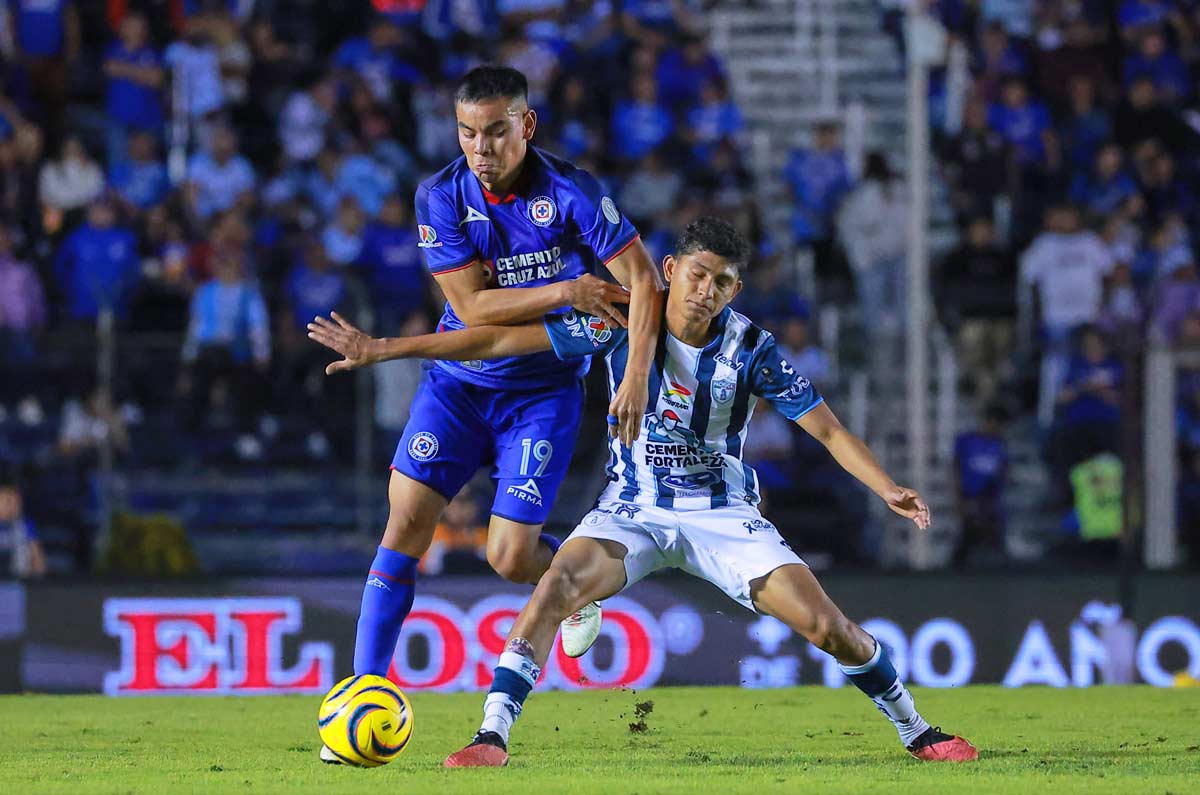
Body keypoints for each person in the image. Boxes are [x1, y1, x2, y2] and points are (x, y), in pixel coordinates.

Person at [308, 217, 978, 767]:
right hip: (631, 509)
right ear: (669, 272)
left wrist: (888, 486)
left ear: (735, 288)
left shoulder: (753, 350)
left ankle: (916, 728)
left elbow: (827, 431)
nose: (706, 290)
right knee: (554, 586)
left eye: (721, 281)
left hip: (722, 514)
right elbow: (494, 339)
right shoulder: (617, 319)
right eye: (696, 275)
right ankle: (491, 735)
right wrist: (385, 348)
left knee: (830, 628)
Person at [314, 65, 663, 761]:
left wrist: (636, 377)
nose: (481, 146)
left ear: (525, 126)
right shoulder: (439, 195)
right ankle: (361, 695)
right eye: (468, 132)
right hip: (459, 382)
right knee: (406, 517)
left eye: (496, 130)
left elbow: (646, 283)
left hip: (543, 392)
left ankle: (569, 583)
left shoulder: (573, 192)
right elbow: (472, 308)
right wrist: (567, 289)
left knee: (508, 558)